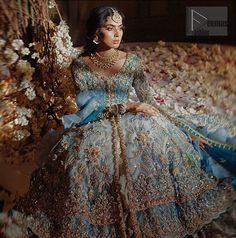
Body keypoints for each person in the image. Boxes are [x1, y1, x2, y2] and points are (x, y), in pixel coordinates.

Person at [11, 6, 236, 238]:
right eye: (110, 28)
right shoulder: (81, 65)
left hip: (135, 124)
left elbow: (146, 99)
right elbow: (90, 108)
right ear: (96, 33)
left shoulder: (132, 62)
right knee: (82, 161)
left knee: (155, 149)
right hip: (96, 124)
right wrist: (128, 106)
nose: (117, 34)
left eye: (120, 28)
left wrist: (166, 120)